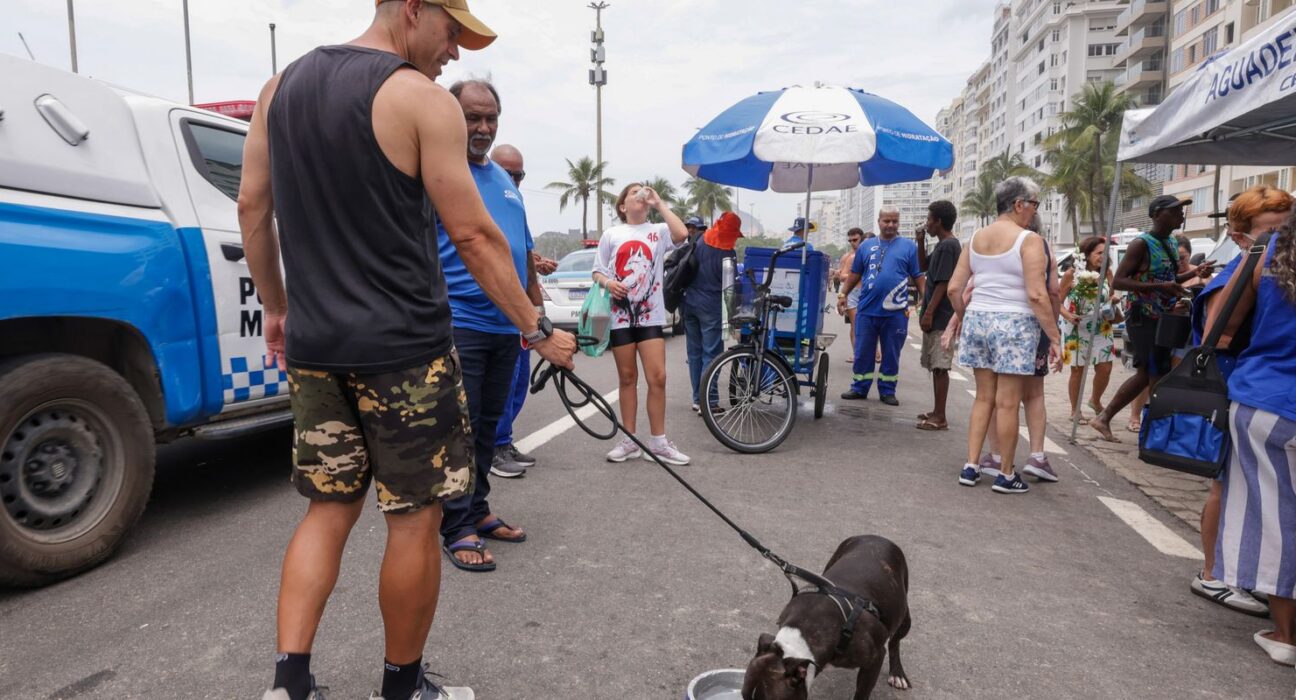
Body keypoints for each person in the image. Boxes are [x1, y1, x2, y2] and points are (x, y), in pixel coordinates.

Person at [237, 3, 576, 698]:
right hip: (404, 354)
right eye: (451, 32)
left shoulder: (280, 89)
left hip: (315, 348)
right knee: (414, 517)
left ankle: (287, 685)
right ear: (413, 9)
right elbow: (475, 236)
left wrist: (277, 306)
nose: (453, 53)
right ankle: (402, 687)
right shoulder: (419, 99)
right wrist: (538, 329)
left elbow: (252, 206)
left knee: (327, 508)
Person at [433, 79, 539, 573]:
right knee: (462, 428)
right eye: (472, 117)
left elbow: (523, 253)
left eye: (489, 117)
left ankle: (477, 509)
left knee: (490, 429)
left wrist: (536, 320)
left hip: (507, 328)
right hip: (462, 323)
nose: (482, 127)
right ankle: (456, 526)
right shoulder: (440, 170)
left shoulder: (501, 178)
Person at [1187, 185, 1291, 618]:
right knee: (1222, 485)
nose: (1280, 235)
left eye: (1286, 225)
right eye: (1270, 227)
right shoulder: (1239, 269)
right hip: (1233, 388)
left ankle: (1251, 576)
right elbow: (1216, 337)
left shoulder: (1270, 263)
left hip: (1254, 390)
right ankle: (1213, 573)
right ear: (1241, 233)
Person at [1206, 205, 1296, 666]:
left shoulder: (1269, 251)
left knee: (1276, 520)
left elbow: (1218, 332)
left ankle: (1285, 634)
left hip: (1269, 398)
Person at [947, 177, 1059, 494]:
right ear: (1018, 204)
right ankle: (1006, 474)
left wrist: (963, 317)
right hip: (1015, 323)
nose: (1035, 211)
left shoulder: (976, 238)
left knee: (984, 398)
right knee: (1007, 403)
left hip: (979, 319)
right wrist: (1054, 337)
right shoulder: (1029, 240)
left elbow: (955, 289)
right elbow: (1038, 295)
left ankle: (971, 466)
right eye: (1034, 204)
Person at [1089, 195, 1212, 442]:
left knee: (1150, 372)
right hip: (1143, 317)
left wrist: (1194, 273)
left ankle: (1106, 419)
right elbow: (1120, 281)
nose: (1181, 215)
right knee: (1156, 371)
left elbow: (1169, 279)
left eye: (1182, 211)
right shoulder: (1141, 244)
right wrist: (1160, 286)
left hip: (1164, 317)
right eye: (1175, 211)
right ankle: (1154, 433)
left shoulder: (1169, 242)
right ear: (1157, 214)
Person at [593, 183, 691, 465]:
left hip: (650, 316)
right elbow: (598, 271)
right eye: (633, 193)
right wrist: (610, 282)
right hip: (620, 317)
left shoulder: (658, 231)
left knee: (657, 377)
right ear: (622, 206)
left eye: (642, 192)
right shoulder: (612, 234)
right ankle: (630, 440)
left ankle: (658, 442)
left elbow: (682, 234)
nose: (640, 195)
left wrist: (659, 203)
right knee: (627, 378)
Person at [489, 144, 557, 476]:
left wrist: (538, 313)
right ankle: (493, 447)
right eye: (508, 172)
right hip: (492, 312)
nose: (514, 179)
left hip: (520, 314)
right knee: (499, 386)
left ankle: (503, 441)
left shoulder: (516, 203)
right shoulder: (478, 196)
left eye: (520, 175)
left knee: (517, 382)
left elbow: (523, 252)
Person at [837, 207, 925, 405]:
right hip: (867, 310)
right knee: (863, 351)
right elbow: (855, 274)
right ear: (879, 222)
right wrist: (843, 294)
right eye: (887, 221)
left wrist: (924, 298)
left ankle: (887, 390)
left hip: (896, 313)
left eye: (894, 221)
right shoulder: (866, 246)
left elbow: (918, 276)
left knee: (891, 353)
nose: (891, 225)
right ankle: (859, 387)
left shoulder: (908, 247)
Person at [683, 211, 740, 412]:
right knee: (712, 354)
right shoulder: (727, 253)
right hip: (711, 307)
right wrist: (732, 317)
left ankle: (698, 399)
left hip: (689, 303)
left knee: (695, 353)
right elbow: (729, 289)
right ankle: (710, 401)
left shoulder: (698, 242)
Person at [1059, 236, 1117, 419]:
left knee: (1106, 367)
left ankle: (1095, 400)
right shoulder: (1071, 274)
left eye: (1105, 252)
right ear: (1087, 254)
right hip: (1076, 327)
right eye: (1099, 252)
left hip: (1102, 326)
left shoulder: (1107, 273)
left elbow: (1110, 297)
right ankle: (1075, 410)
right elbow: (1057, 302)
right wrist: (1069, 315)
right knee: (1078, 370)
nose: (1103, 256)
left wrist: (1113, 300)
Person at [915, 202, 960, 431]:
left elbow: (943, 283)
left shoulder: (948, 246)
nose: (927, 223)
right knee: (935, 365)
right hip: (937, 315)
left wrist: (929, 312)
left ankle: (940, 417)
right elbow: (923, 265)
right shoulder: (943, 245)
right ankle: (936, 411)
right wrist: (921, 241)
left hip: (941, 316)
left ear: (939, 221)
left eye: (930, 219)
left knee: (941, 367)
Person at [838, 228, 865, 357]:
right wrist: (855, 275)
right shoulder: (848, 257)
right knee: (856, 325)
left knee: (870, 325)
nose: (853, 243)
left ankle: (872, 351)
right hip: (852, 293)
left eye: (855, 240)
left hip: (867, 293)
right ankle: (857, 355)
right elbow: (841, 276)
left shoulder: (870, 253)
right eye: (850, 241)